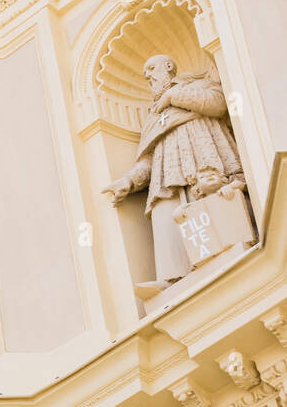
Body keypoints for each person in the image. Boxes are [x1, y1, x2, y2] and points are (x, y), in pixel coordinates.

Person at [104, 55, 244, 296]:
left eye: (150, 68)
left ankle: (232, 247)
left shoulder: (197, 86)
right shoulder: (152, 117)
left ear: (168, 66)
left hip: (204, 157)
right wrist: (128, 181)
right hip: (166, 172)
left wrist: (173, 96)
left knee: (214, 200)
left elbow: (217, 103)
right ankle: (172, 278)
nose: (147, 75)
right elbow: (147, 158)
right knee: (164, 213)